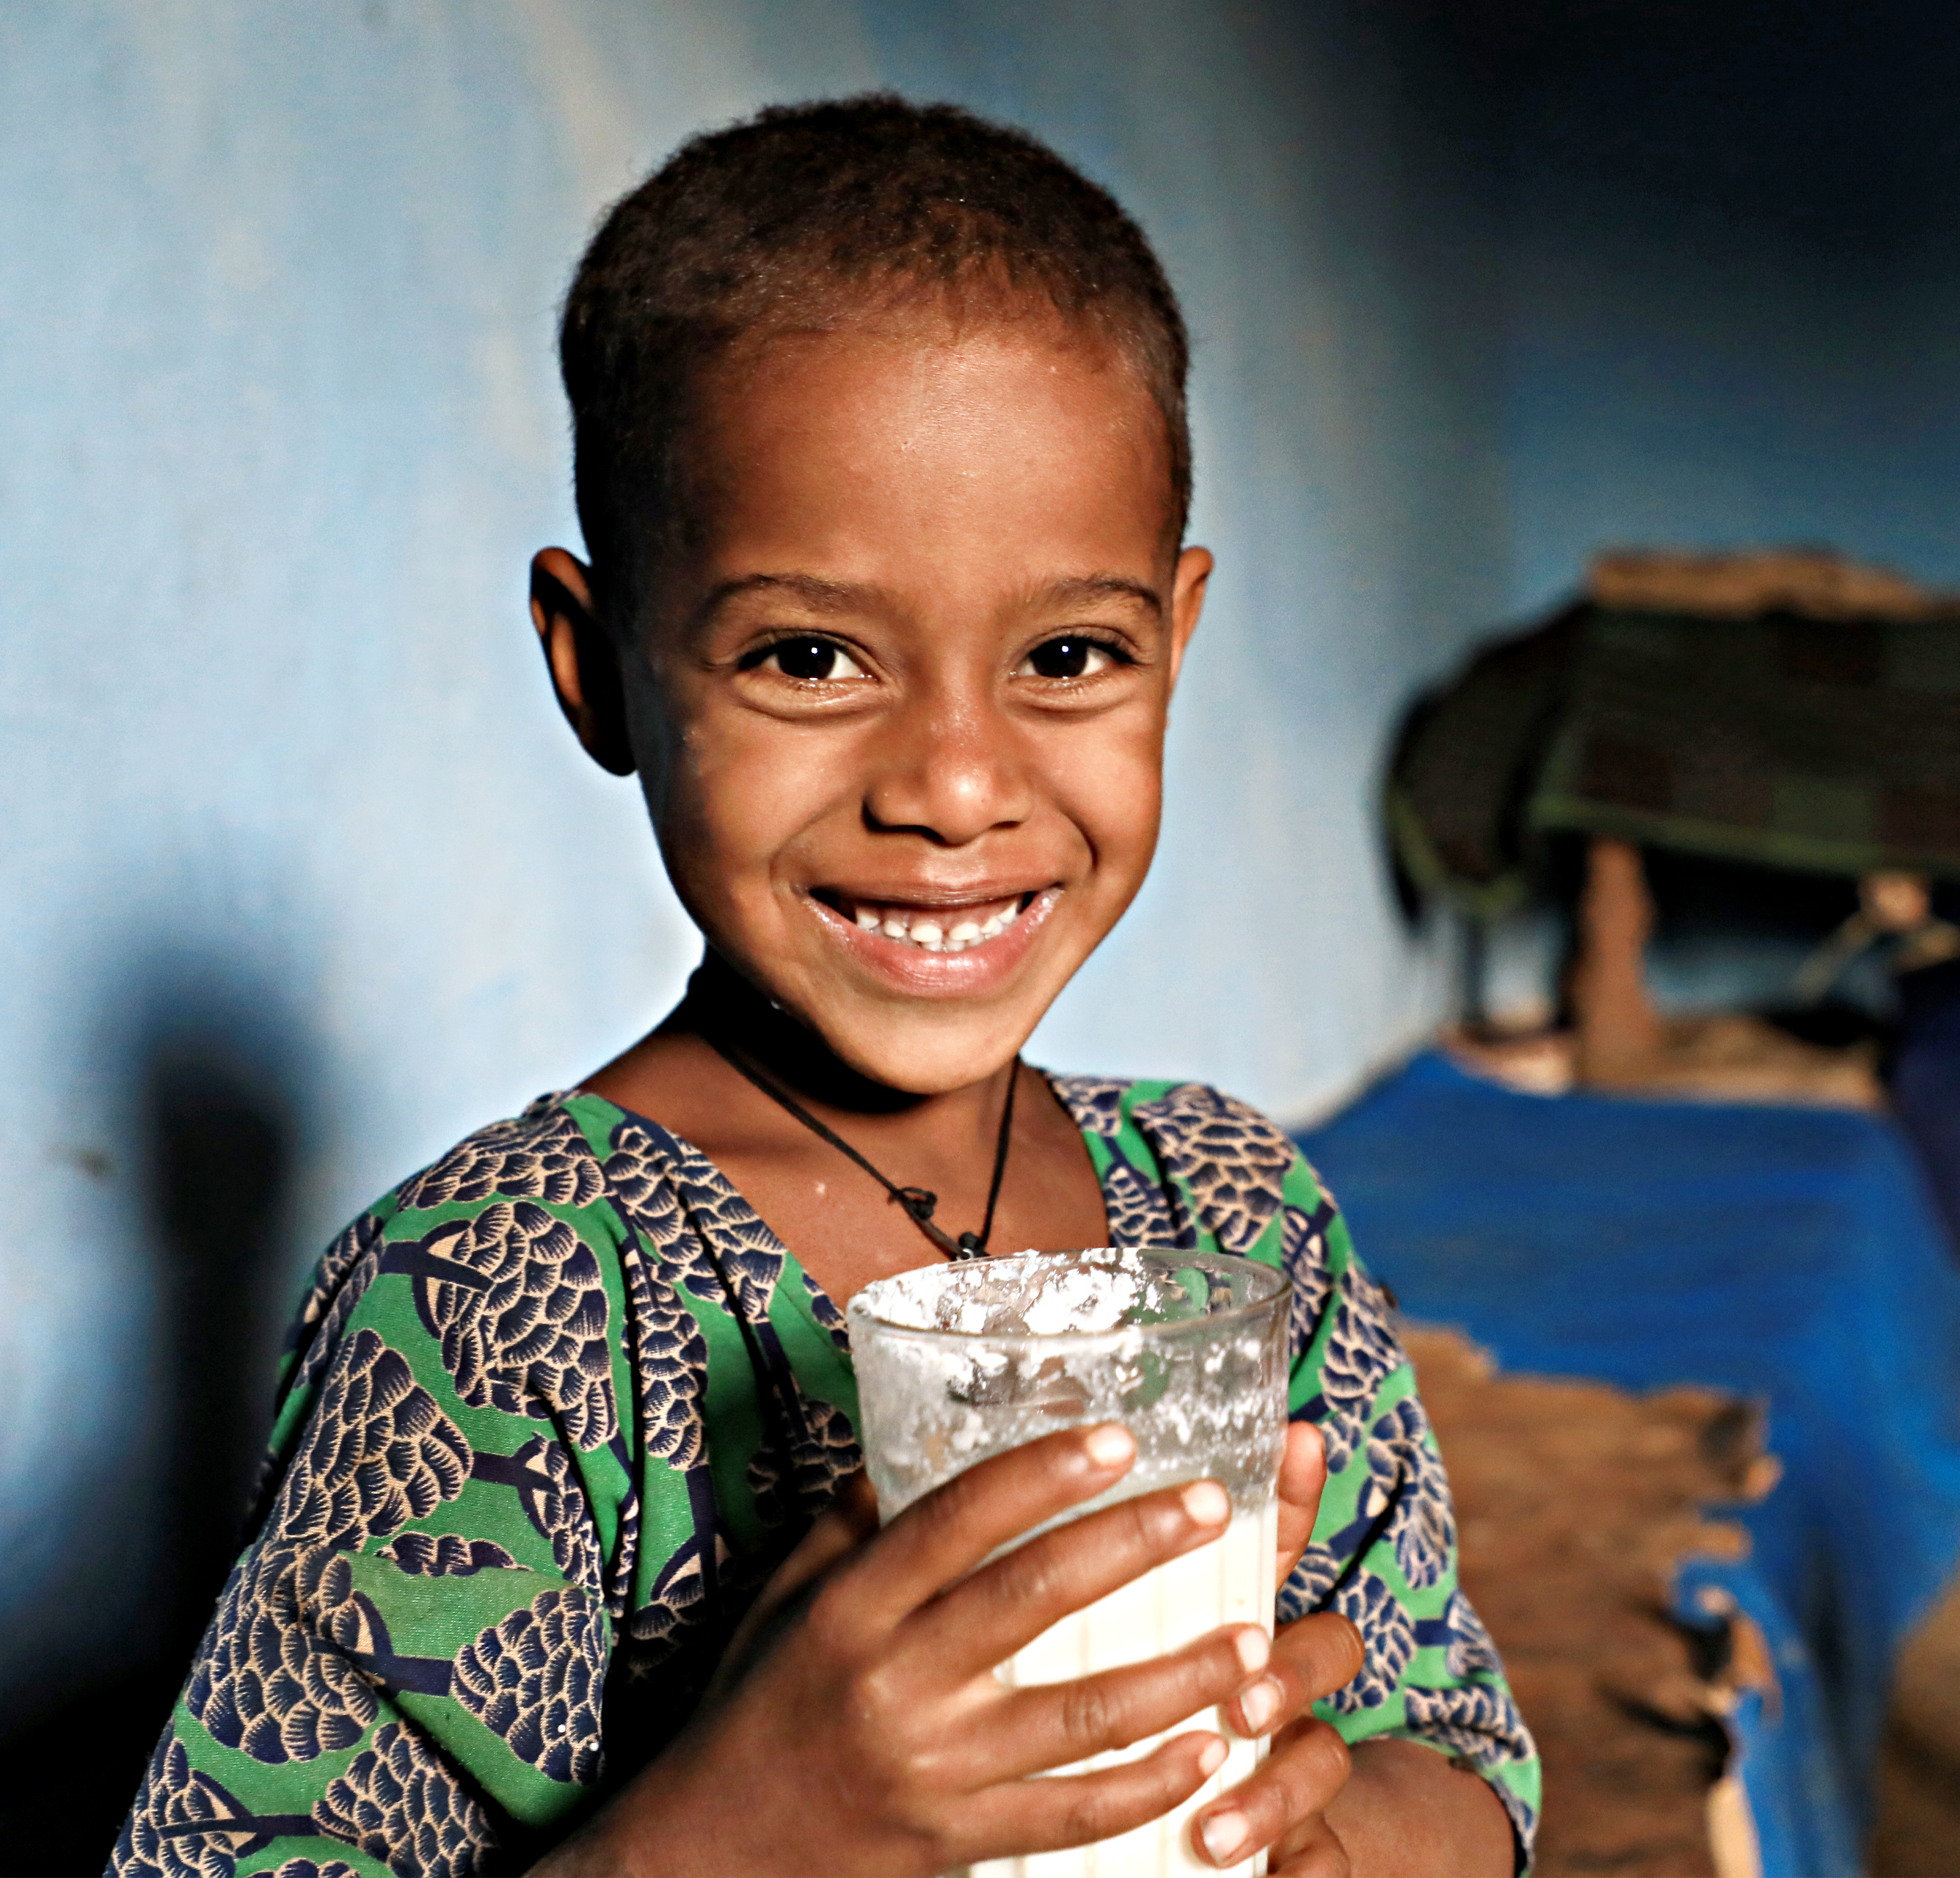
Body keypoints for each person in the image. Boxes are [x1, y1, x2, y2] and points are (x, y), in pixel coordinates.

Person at [110, 97, 1537, 1878]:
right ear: (600, 669)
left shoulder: (1245, 1219)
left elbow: (1461, 1757)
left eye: (1069, 654)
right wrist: (740, 1829)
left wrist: (1330, 1838)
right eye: (808, 654)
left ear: (1176, 637)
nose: (953, 780)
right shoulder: (498, 1302)